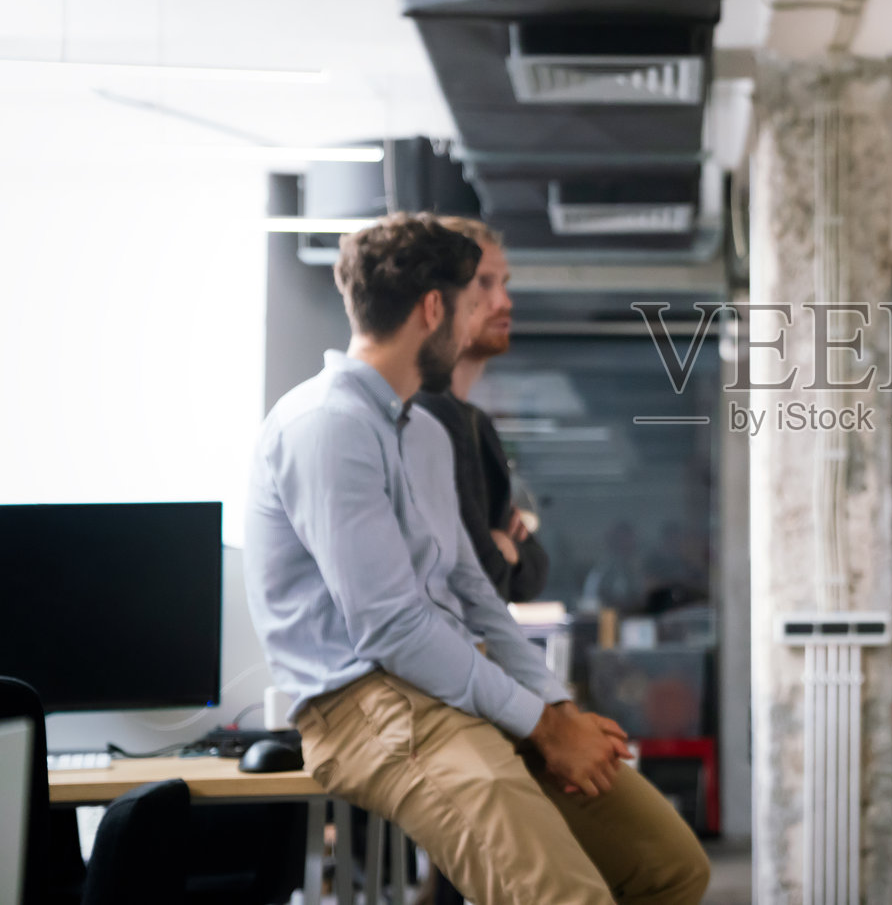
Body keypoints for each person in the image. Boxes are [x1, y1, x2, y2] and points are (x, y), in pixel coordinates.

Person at [242, 213, 710, 905]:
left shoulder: (423, 434)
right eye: (468, 304)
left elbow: (476, 593)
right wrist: (544, 725)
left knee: (671, 866)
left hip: (454, 679)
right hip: (367, 704)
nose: (474, 324)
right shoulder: (327, 426)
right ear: (433, 308)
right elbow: (394, 630)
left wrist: (557, 709)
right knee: (567, 895)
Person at [415, 216, 549, 604]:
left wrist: (507, 549)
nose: (503, 302)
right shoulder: (425, 417)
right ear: (444, 296)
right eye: (484, 283)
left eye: (504, 285)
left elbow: (532, 572)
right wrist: (502, 552)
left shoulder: (476, 424)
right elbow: (481, 577)